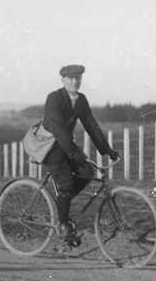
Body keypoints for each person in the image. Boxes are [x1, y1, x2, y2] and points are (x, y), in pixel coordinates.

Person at [42, 64, 120, 246]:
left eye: (78, 78)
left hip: (66, 145)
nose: (75, 82)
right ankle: (62, 224)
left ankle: (63, 201)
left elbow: (91, 125)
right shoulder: (54, 98)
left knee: (87, 172)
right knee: (67, 183)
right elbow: (59, 130)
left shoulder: (81, 100)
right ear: (63, 80)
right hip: (51, 147)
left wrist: (106, 149)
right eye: (70, 78)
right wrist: (73, 153)